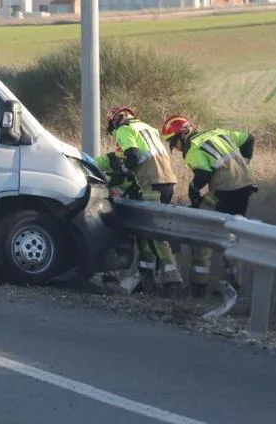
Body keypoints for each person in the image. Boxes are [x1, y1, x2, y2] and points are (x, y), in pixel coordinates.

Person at [160, 115, 257, 297]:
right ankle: (234, 283)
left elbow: (204, 174)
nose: (175, 148)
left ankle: (200, 284)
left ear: (182, 135)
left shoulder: (193, 150)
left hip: (225, 190)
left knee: (204, 230)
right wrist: (245, 163)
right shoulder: (218, 132)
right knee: (232, 235)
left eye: (173, 142)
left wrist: (193, 189)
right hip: (244, 187)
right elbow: (249, 139)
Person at [103, 106, 185, 295]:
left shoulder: (124, 129)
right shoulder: (149, 128)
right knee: (146, 231)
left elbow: (134, 156)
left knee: (155, 233)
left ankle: (174, 281)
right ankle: (147, 279)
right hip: (167, 182)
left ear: (116, 120)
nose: (115, 134)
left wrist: (122, 170)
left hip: (151, 183)